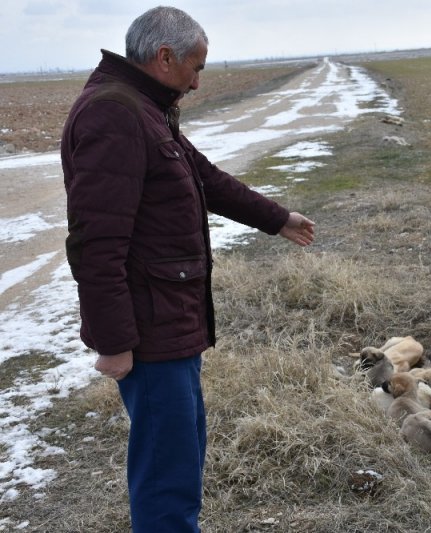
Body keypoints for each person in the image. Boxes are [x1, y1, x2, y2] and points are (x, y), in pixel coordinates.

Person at [61, 6, 315, 531]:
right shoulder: (115, 114)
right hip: (148, 330)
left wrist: (277, 219)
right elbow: (97, 241)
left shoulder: (145, 108)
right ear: (165, 57)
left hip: (171, 320)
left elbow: (207, 178)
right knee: (166, 475)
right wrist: (112, 341)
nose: (198, 83)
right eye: (196, 68)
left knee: (182, 453)